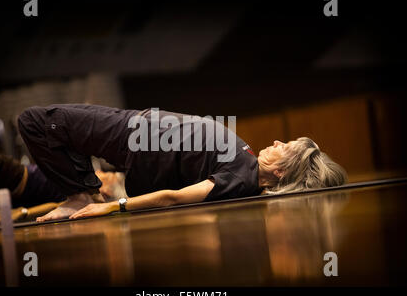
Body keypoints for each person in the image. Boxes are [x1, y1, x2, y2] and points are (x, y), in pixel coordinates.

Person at [17, 104, 347, 222]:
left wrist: (115, 206)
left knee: (37, 121)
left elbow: (174, 197)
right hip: (137, 131)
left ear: (280, 171)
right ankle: (79, 192)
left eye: (283, 147)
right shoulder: (245, 168)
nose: (275, 142)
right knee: (52, 130)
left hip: (133, 136)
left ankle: (80, 195)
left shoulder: (241, 176)